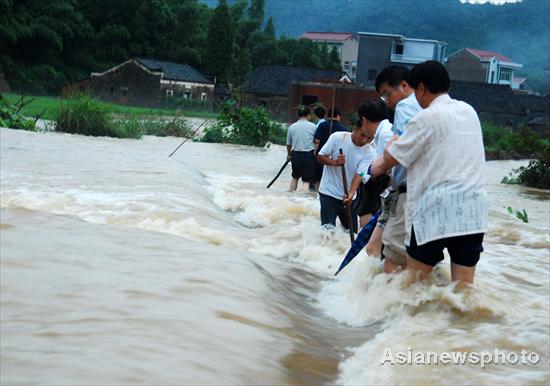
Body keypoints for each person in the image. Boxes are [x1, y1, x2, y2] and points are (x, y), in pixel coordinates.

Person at [371, 61, 487, 284]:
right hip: (473, 211)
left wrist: (393, 141)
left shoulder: (425, 117)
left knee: (412, 288)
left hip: (434, 211)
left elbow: (391, 157)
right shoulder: (469, 111)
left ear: (421, 88)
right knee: (463, 290)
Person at [366, 65, 422, 274]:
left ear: (405, 86)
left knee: (391, 259)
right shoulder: (440, 109)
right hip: (431, 193)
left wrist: (377, 167)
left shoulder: (406, 105)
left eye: (386, 94)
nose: (386, 101)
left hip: (407, 194)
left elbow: (401, 148)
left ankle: (381, 301)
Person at [316, 123, 377, 231]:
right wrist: (335, 162)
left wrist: (351, 193)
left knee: (351, 231)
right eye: (362, 135)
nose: (364, 141)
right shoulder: (338, 137)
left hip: (348, 198)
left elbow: (360, 174)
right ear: (355, 128)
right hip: (328, 193)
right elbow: (320, 157)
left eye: (369, 138)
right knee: (328, 232)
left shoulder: (370, 151)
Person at [344, 100, 393, 227]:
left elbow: (390, 166)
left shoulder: (385, 134)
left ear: (364, 120)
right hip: (376, 186)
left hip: (383, 189)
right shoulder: (384, 132)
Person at [313, 108, 348, 187]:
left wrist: (315, 153)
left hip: (322, 156)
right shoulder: (344, 130)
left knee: (319, 179)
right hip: (336, 158)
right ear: (338, 116)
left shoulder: (322, 125)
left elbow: (317, 141)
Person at [286, 106, 317, 192]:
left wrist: (289, 155)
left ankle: (290, 196)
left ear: (298, 115)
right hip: (308, 156)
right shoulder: (313, 126)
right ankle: (303, 200)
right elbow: (316, 141)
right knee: (306, 181)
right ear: (308, 115)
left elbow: (288, 144)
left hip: (295, 155)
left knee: (295, 177)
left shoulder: (292, 127)